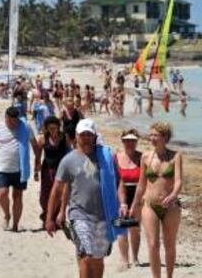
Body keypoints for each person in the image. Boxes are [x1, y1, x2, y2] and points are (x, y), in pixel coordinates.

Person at [46, 118, 123, 278]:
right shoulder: (68, 160)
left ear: (95, 136)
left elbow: (118, 182)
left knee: (97, 260)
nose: (86, 138)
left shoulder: (106, 158)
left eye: (89, 135)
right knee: (86, 256)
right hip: (79, 215)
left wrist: (122, 204)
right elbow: (57, 190)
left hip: (104, 216)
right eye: (83, 135)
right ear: (76, 136)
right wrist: (50, 218)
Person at [130, 122, 183, 278]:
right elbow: (141, 184)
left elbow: (179, 181)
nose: (152, 138)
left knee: (169, 244)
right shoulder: (145, 157)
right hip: (150, 205)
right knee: (153, 245)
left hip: (171, 206)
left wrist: (173, 194)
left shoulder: (176, 156)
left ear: (165, 137)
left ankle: (169, 276)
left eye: (155, 135)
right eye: (151, 134)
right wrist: (134, 204)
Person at [0, 106, 40, 231]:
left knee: (18, 196)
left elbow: (35, 145)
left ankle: (15, 224)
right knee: (2, 194)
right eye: (10, 121)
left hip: (20, 169)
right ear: (6, 117)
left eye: (15, 121)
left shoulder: (25, 127)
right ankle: (6, 214)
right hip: (2, 168)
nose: (13, 124)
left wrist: (37, 162)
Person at [36, 116, 70, 227]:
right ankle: (47, 216)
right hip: (47, 170)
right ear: (46, 128)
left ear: (58, 127)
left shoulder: (64, 137)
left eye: (54, 128)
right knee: (44, 196)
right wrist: (36, 170)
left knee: (59, 194)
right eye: (50, 128)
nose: (52, 131)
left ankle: (56, 218)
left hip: (61, 170)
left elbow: (70, 154)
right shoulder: (42, 139)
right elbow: (38, 156)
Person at [116, 129, 142, 270]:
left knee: (134, 228)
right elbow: (114, 178)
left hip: (137, 194)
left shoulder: (142, 157)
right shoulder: (116, 157)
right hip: (120, 194)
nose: (129, 143)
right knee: (122, 228)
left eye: (132, 140)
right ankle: (124, 259)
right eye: (126, 140)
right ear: (122, 141)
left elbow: (145, 180)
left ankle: (136, 257)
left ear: (137, 141)